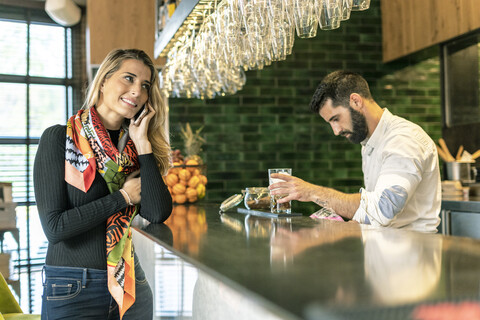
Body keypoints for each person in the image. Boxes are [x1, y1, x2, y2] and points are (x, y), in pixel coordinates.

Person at [34, 48, 173, 319]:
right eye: (128, 78)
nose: (137, 91)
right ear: (104, 80)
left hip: (130, 284)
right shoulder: (58, 139)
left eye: (145, 85)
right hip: (72, 288)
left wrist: (143, 143)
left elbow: (157, 213)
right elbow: (55, 228)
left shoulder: (132, 149)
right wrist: (122, 197)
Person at [269, 70, 441, 232]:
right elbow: (373, 214)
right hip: (384, 254)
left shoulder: (403, 139)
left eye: (336, 119)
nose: (336, 131)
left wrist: (311, 192)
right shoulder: (369, 142)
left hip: (412, 257)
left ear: (356, 101)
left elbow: (384, 209)